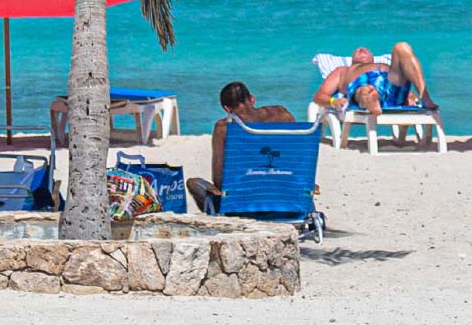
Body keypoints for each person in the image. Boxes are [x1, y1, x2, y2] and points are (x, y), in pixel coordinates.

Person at [185, 81, 295, 214]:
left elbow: (219, 179)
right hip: (285, 197)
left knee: (193, 183)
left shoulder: (224, 128)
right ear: (252, 99)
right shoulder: (283, 114)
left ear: (227, 109)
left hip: (242, 203)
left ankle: (219, 215)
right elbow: (297, 160)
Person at [312, 42, 432, 123]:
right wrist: (334, 101)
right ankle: (371, 99)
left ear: (373, 58)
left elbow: (407, 86)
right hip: (360, 86)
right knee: (365, 89)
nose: (361, 49)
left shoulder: (386, 66)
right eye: (357, 51)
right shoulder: (343, 71)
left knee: (402, 47)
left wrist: (411, 96)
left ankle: (424, 96)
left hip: (391, 86)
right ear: (352, 60)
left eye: (365, 50)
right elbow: (319, 97)